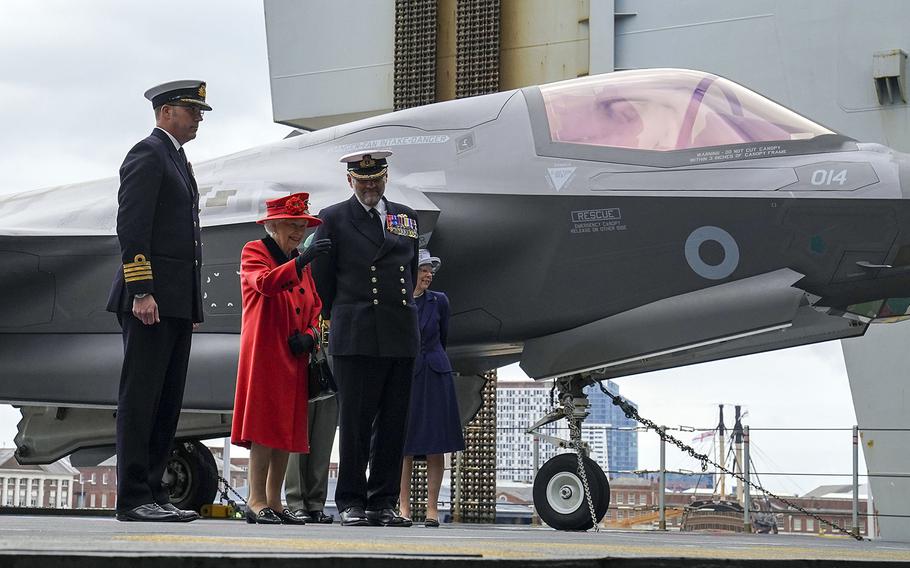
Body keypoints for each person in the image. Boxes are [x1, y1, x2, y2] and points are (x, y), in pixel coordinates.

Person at [106, 80, 210, 523]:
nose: (199, 119)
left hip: (174, 303)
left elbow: (186, 240)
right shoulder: (147, 153)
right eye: (193, 110)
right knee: (142, 398)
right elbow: (132, 226)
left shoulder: (178, 159)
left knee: (167, 401)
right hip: (150, 299)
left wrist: (189, 306)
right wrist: (142, 290)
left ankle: (152, 491)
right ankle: (132, 497)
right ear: (167, 111)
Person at [311, 150, 419, 527]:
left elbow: (410, 270)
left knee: (393, 423)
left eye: (376, 179)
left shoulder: (406, 217)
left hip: (400, 331)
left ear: (386, 177)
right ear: (350, 181)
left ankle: (384, 502)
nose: (370, 186)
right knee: (356, 422)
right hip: (356, 331)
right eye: (362, 180)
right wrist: (338, 317)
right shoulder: (334, 218)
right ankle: (351, 501)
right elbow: (322, 279)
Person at [231, 193, 330, 524]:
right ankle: (255, 499)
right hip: (266, 352)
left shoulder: (300, 260)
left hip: (294, 355)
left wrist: (312, 335)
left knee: (286, 429)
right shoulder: (255, 251)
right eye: (292, 225)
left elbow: (316, 306)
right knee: (264, 427)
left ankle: (274, 500)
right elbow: (264, 284)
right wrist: (300, 263)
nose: (298, 232)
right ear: (273, 225)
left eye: (302, 226)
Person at [399, 250, 465, 527]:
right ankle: (403, 507)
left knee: (436, 444)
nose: (428, 275)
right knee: (404, 446)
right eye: (423, 270)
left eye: (430, 271)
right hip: (408, 375)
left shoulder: (440, 301)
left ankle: (432, 509)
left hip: (436, 374)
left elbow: (444, 336)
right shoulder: (399, 301)